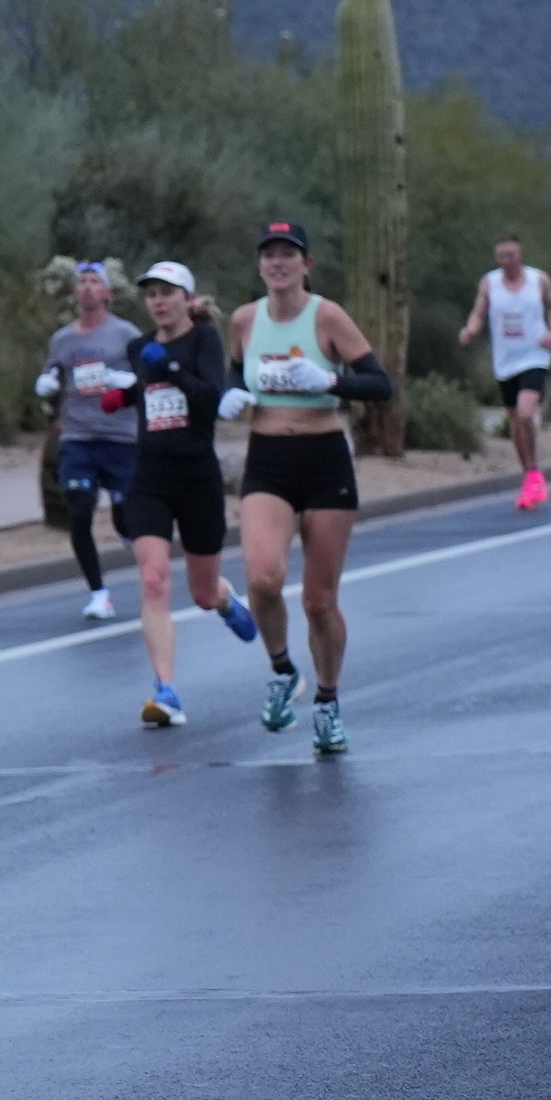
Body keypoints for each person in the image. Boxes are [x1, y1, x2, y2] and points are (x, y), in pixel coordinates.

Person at [226, 220, 390, 757]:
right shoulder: (245, 320)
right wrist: (229, 395)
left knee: (319, 601)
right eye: (269, 255)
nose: (278, 263)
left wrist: (331, 381)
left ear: (306, 265)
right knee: (262, 578)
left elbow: (380, 384)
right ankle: (282, 671)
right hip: (268, 460)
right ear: (260, 265)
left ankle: (327, 702)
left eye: (288, 254)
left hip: (324, 461)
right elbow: (235, 374)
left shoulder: (327, 317)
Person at [118, 261, 259, 728]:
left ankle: (224, 600)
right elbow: (146, 393)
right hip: (149, 478)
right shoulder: (138, 348)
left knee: (201, 593)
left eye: (168, 292)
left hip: (197, 477)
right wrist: (122, 395)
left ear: (188, 299)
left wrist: (171, 368)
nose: (159, 301)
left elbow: (209, 399)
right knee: (154, 579)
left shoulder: (204, 340)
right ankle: (166, 691)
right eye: (152, 294)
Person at [37, 262, 148, 621]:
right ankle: (99, 594)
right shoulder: (62, 339)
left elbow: (148, 376)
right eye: (81, 282)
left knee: (126, 518)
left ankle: (131, 535)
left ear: (108, 293)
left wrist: (124, 381)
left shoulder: (125, 334)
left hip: (120, 437)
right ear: (74, 292)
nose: (87, 287)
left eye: (95, 282)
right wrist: (46, 383)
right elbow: (52, 372)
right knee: (79, 510)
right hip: (78, 437)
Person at [455, 234, 551, 510]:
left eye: (510, 255)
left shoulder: (538, 280)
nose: (506, 261)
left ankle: (534, 471)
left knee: (526, 413)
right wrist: (471, 330)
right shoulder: (490, 283)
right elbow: (479, 313)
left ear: (520, 255)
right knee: (515, 421)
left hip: (534, 355)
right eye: (501, 256)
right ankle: (530, 474)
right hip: (505, 361)